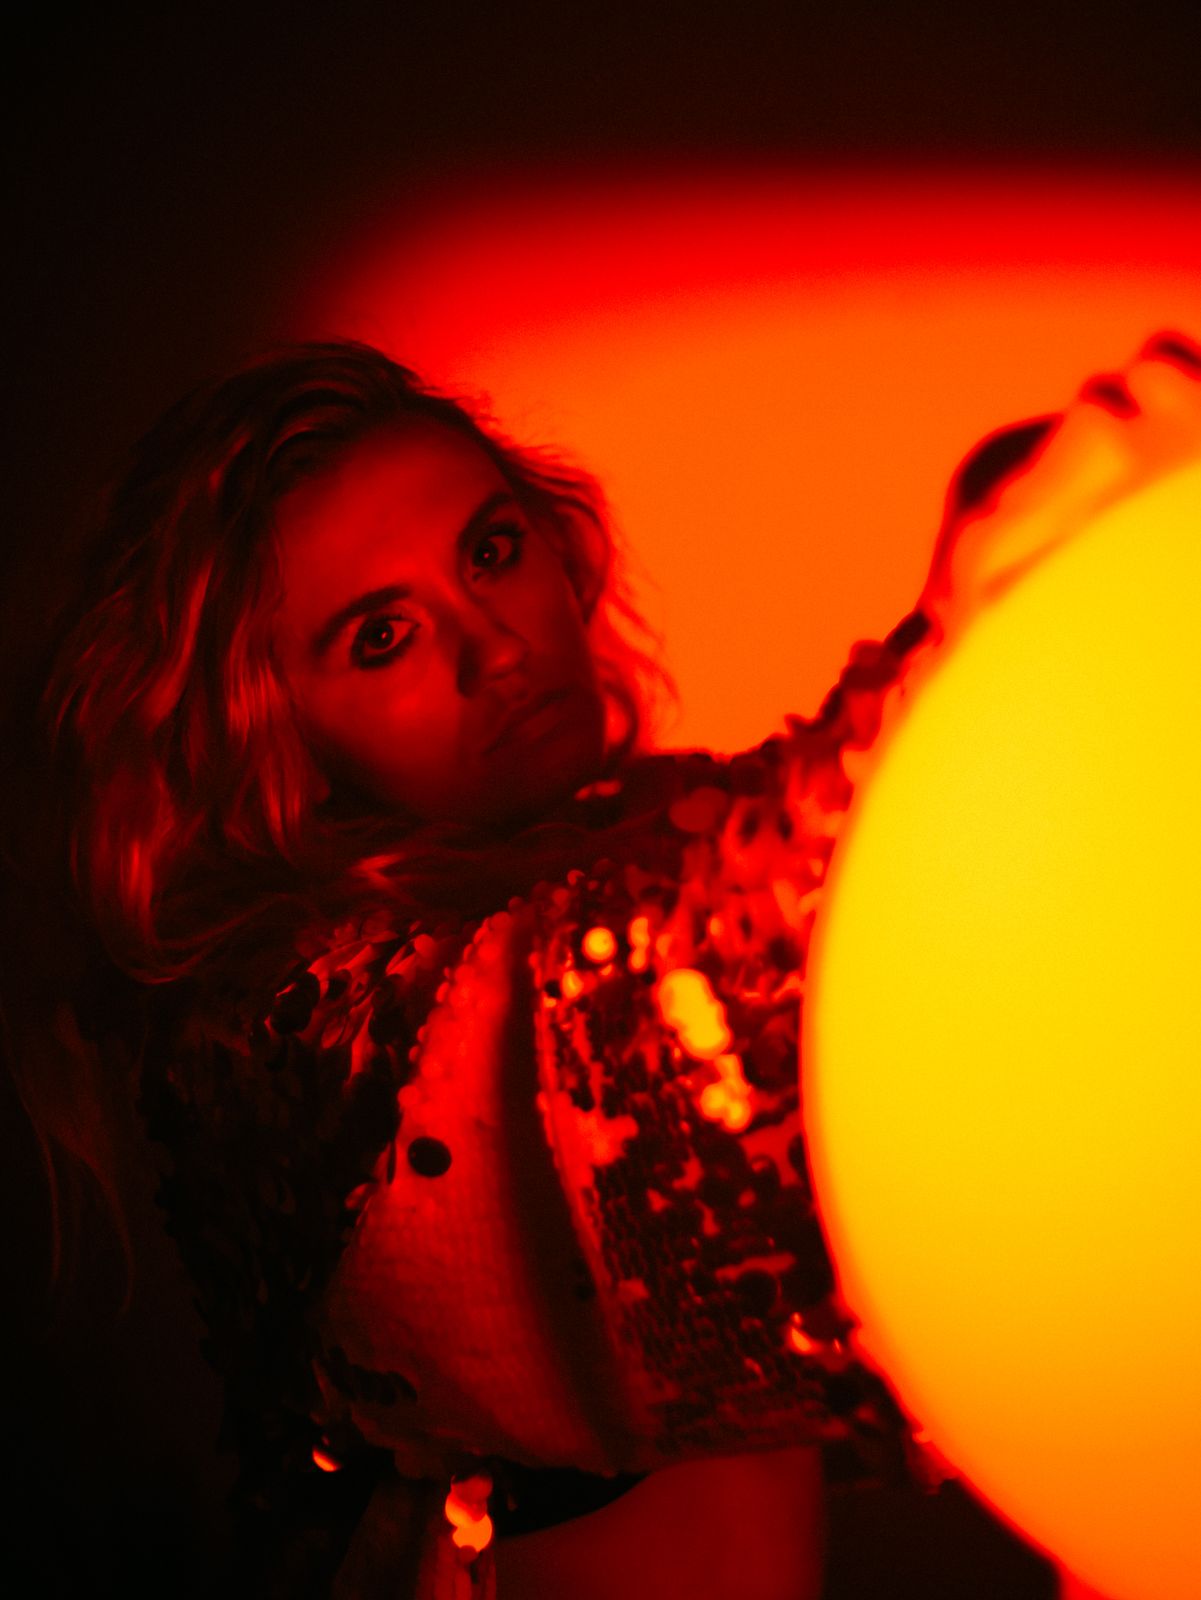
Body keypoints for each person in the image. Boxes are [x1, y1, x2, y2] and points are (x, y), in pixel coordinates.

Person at [11, 331, 1200, 1600]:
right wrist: (974, 611)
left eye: (491, 550)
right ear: (266, 735)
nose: (495, 648)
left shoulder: (650, 834)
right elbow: (678, 1023)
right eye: (382, 637)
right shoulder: (277, 1042)